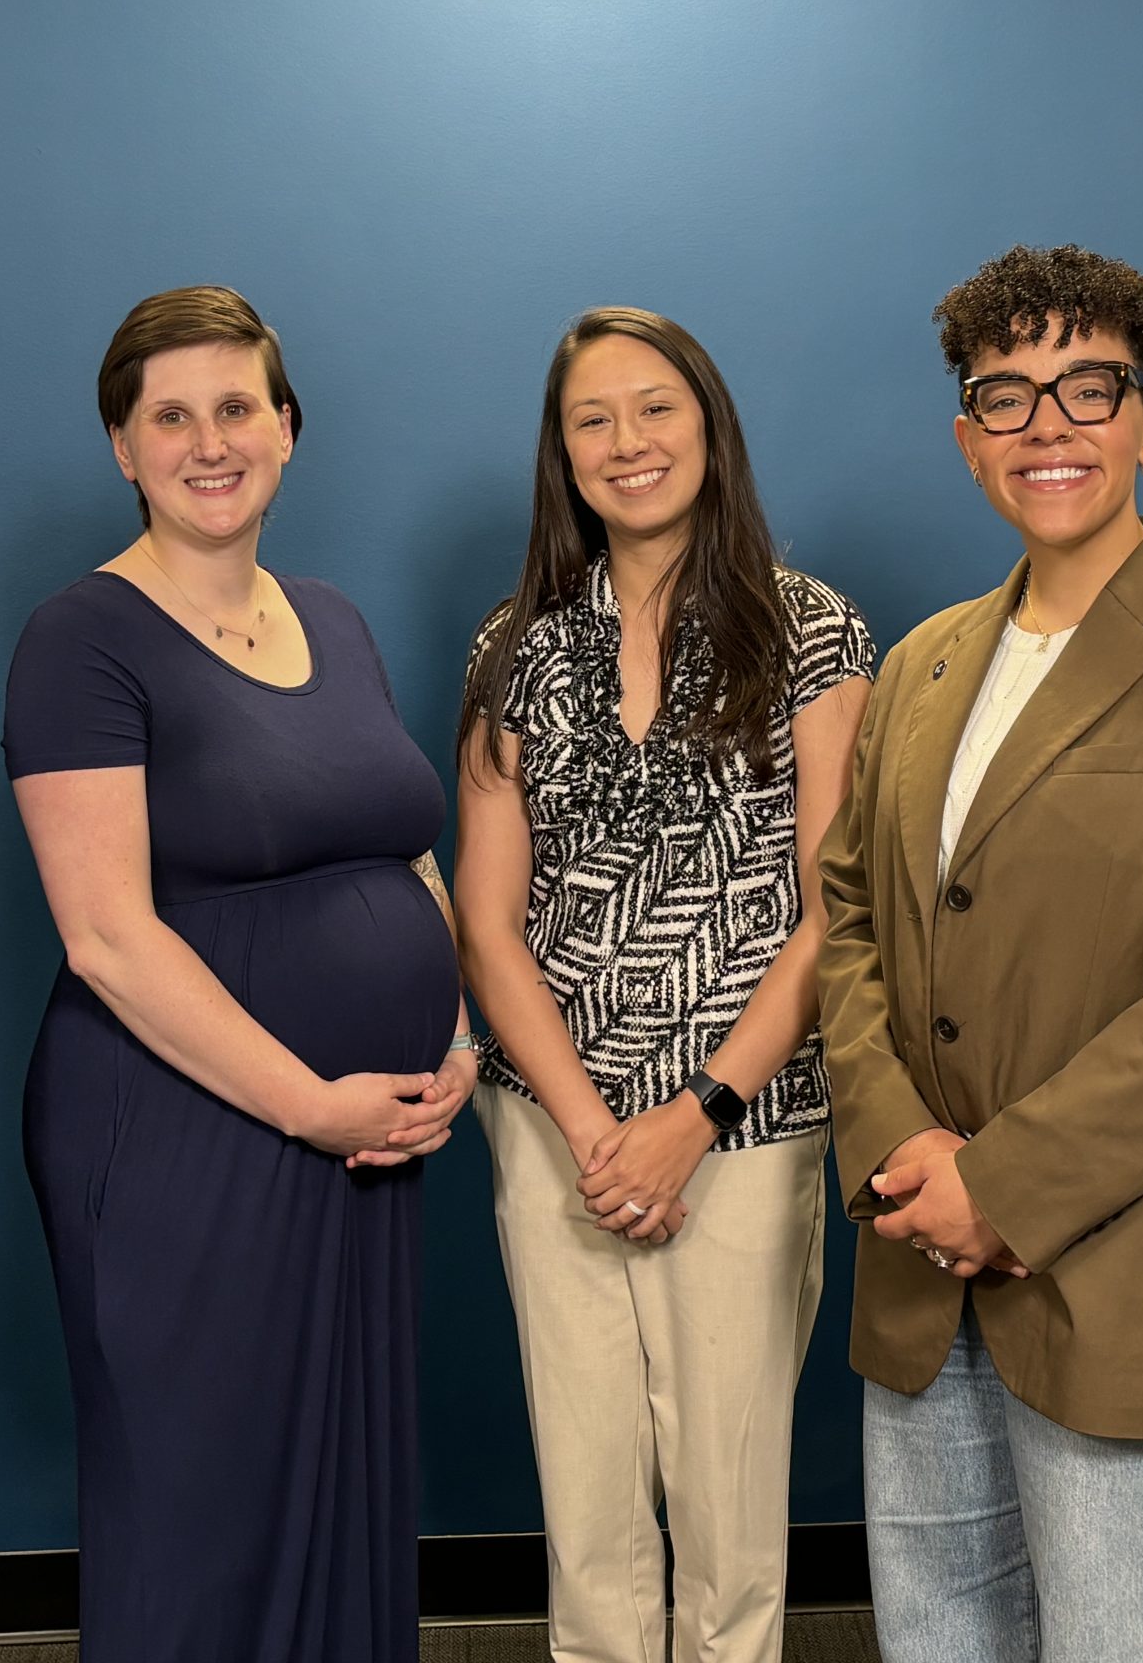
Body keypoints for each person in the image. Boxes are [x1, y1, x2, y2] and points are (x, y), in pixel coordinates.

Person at [817, 244, 1143, 1662]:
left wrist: (1000, 1184)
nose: (1045, 426)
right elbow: (854, 914)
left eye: (1087, 388)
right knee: (940, 1642)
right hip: (922, 1266)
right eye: (1006, 396)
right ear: (965, 435)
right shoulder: (925, 662)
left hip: (1133, 1273)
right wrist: (900, 1158)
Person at [5, 286, 476, 1663]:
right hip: (185, 1137)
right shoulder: (79, 639)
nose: (208, 442)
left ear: (286, 427)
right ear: (121, 446)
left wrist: (451, 1036)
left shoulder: (330, 615)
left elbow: (403, 849)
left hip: (365, 1137)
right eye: (170, 416)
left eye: (236, 407)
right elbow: (106, 935)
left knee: (335, 1484)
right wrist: (307, 1105)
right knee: (201, 1503)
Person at [453, 307, 873, 1663]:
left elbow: (832, 910)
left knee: (729, 1503)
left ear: (709, 428)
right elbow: (484, 917)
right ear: (560, 451)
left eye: (655, 410)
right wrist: (590, 1131)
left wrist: (692, 1114)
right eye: (594, 419)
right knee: (586, 1509)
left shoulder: (811, 634)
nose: (627, 442)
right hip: (550, 1123)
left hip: (743, 1125)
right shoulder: (512, 645)